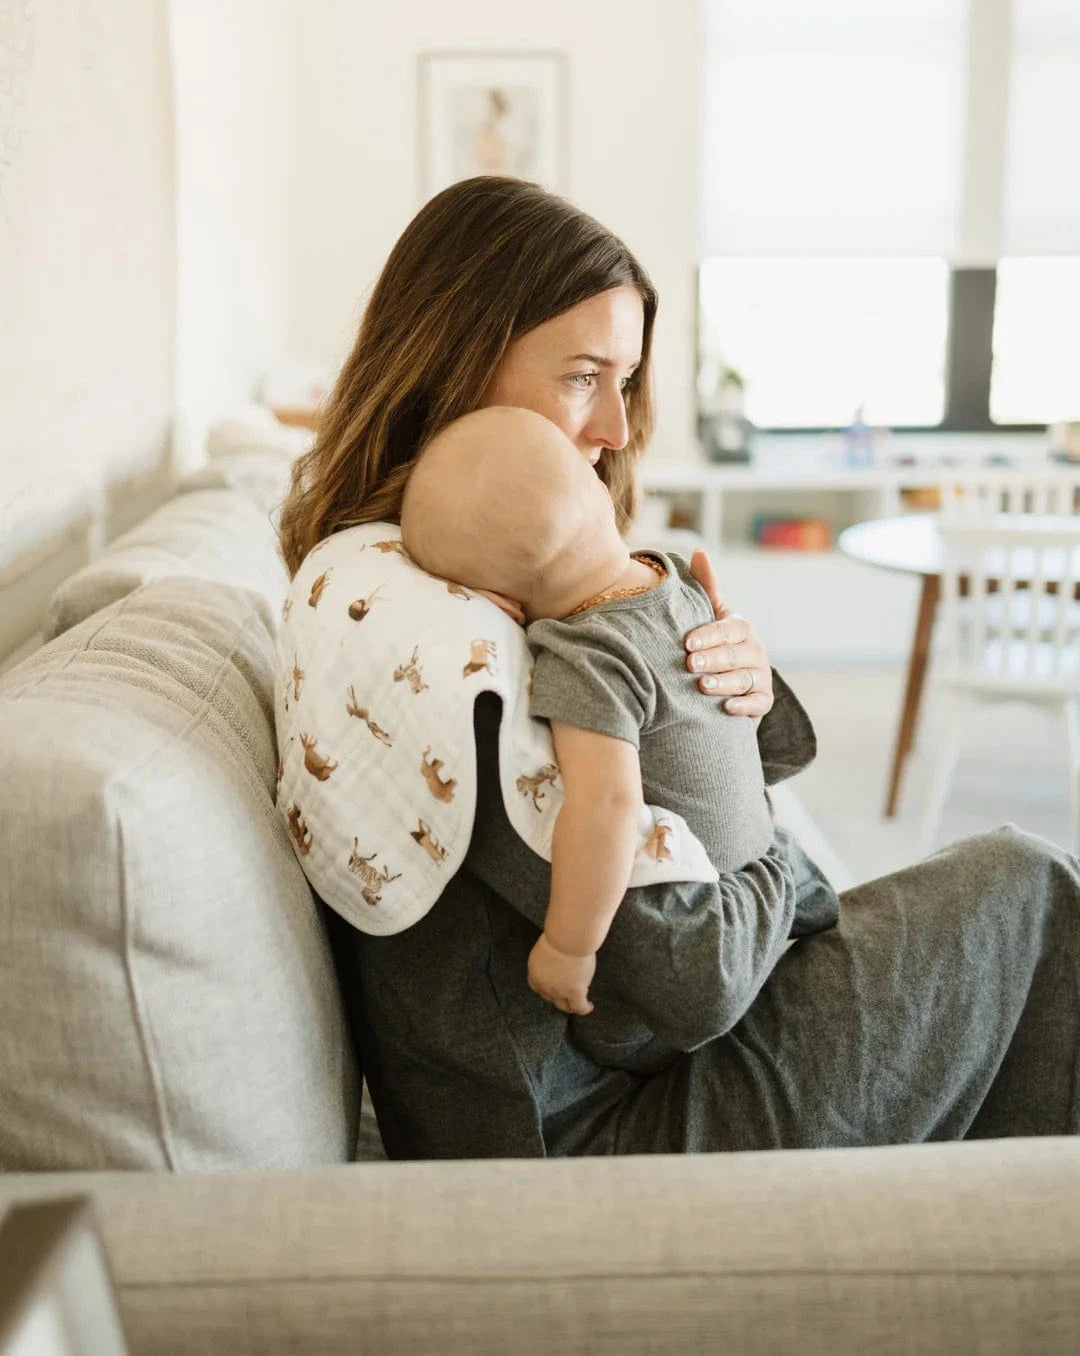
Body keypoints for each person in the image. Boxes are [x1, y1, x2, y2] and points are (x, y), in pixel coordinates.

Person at [277, 175, 1080, 1158]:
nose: (615, 428)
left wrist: (722, 695)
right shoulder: (434, 649)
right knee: (1030, 893)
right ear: (454, 362)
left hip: (631, 1072)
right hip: (594, 1137)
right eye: (582, 375)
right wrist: (783, 859)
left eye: (625, 379)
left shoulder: (445, 574)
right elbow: (685, 967)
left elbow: (694, 794)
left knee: (1015, 924)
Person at [400, 404, 776, 1018]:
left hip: (716, 923)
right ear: (600, 495)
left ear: (500, 602)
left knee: (616, 1025)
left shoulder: (585, 656)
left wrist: (570, 947)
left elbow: (606, 805)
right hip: (767, 852)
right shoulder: (674, 577)